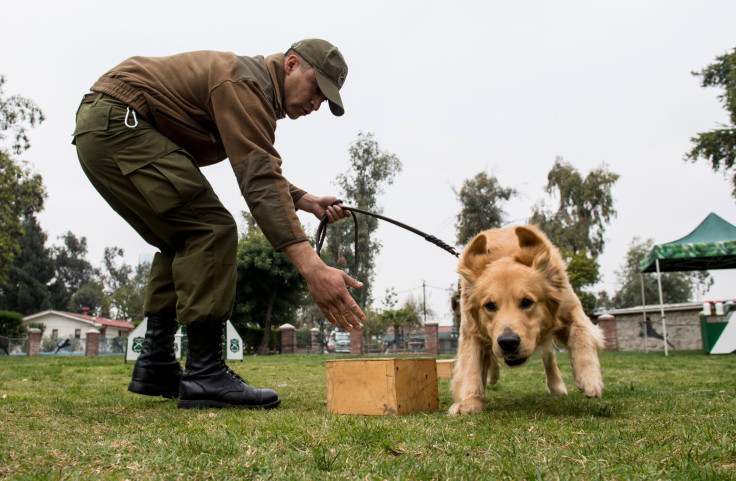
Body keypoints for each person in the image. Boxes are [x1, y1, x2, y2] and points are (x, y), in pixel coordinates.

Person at [72, 39, 365, 410]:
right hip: (122, 122)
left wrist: (305, 200)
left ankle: (157, 362)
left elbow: (257, 166)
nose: (316, 103)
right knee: (212, 229)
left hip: (105, 124)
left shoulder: (251, 90)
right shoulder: (247, 85)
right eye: (317, 89)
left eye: (325, 100)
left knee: (183, 235)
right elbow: (258, 180)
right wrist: (313, 268)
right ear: (291, 64)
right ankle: (205, 373)